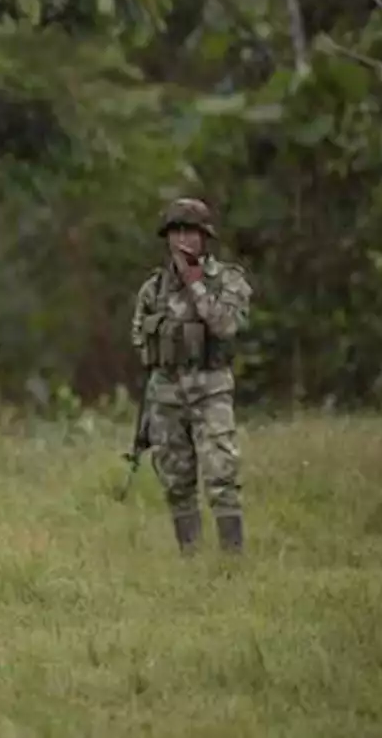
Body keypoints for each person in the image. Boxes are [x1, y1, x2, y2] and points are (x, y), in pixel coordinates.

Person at [130, 198, 253, 555]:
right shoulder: (153, 288)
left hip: (210, 389)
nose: (183, 240)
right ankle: (191, 558)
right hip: (166, 394)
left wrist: (195, 285)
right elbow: (139, 336)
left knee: (221, 473)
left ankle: (232, 559)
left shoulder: (227, 280)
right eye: (176, 232)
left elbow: (227, 326)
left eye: (191, 232)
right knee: (176, 479)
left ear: (205, 237)